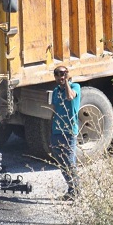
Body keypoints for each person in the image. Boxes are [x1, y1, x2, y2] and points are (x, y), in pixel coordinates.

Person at [50, 65, 81, 200]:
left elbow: (70, 97)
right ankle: (71, 190)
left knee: (69, 161)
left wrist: (67, 82)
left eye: (64, 74)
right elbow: (53, 110)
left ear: (67, 75)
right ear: (55, 77)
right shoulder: (56, 91)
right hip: (57, 130)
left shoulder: (75, 87)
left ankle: (76, 191)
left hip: (69, 131)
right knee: (61, 161)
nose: (61, 77)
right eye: (58, 74)